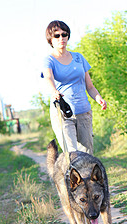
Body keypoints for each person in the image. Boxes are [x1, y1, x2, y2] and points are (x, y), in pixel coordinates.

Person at [43, 20, 107, 155]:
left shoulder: (79, 58)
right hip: (63, 113)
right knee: (72, 154)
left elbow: (89, 86)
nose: (61, 38)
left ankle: (88, 177)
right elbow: (48, 77)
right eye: (57, 35)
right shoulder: (49, 60)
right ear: (50, 39)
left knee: (87, 154)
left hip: (83, 111)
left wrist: (98, 98)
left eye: (64, 34)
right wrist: (54, 91)